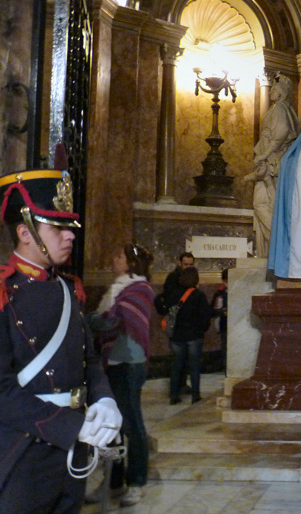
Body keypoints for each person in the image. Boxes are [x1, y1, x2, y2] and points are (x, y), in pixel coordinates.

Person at [0, 169, 122, 513]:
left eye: (70, 228)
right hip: (23, 453)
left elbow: (90, 361)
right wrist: (72, 426)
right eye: (57, 229)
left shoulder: (68, 288)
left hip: (72, 452)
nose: (69, 237)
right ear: (25, 232)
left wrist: (105, 400)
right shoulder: (3, 293)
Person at [86, 243, 155, 507]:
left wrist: (90, 319)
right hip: (110, 362)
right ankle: (113, 481)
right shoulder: (117, 289)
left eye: (119, 256)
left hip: (129, 362)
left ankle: (136, 481)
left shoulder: (140, 289)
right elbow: (107, 318)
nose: (114, 260)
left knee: (131, 424)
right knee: (110, 425)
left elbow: (112, 320)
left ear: (132, 263)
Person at [243, 75, 301, 258]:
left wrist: (265, 153)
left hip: (273, 161)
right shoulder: (281, 108)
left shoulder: (280, 109)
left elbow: (282, 132)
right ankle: (276, 243)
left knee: (262, 203)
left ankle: (280, 240)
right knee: (267, 203)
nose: (271, 91)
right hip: (273, 161)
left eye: (275, 89)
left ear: (282, 93)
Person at [168, 266, 211, 405]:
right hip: (194, 335)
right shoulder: (198, 295)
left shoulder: (174, 294)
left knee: (177, 366)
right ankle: (195, 396)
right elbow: (205, 315)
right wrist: (202, 329)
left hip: (177, 335)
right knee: (194, 366)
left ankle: (174, 395)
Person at [155, 251, 194, 395]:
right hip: (176, 323)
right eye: (186, 264)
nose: (188, 267)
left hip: (186, 323)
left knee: (184, 358)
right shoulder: (173, 278)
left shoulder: (190, 277)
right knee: (178, 358)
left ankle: (181, 384)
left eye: (190, 264)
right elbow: (169, 298)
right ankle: (176, 388)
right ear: (179, 263)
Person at [211, 268, 228, 373]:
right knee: (225, 349)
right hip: (224, 325)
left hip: (236, 326)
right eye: (226, 281)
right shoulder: (219, 293)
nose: (228, 284)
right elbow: (212, 310)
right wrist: (222, 311)